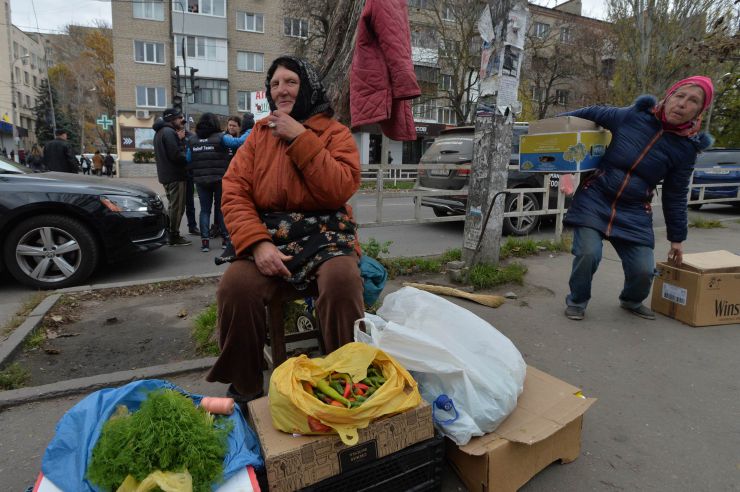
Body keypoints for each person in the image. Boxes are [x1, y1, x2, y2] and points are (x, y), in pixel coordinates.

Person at [206, 56, 364, 404]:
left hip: (325, 235)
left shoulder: (335, 134)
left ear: (306, 86)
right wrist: (258, 244)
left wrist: (301, 138)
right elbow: (234, 193)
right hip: (271, 236)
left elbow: (339, 189)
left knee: (342, 280)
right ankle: (245, 387)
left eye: (290, 81)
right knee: (236, 286)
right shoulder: (258, 136)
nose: (282, 90)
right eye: (275, 84)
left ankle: (349, 378)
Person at [562, 76, 714, 321]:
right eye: (679, 96)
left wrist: (677, 239)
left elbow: (676, 195)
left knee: (643, 270)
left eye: (693, 100)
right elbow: (590, 113)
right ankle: (577, 301)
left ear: (699, 110)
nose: (683, 104)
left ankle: (631, 300)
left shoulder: (686, 150)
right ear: (668, 97)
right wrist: (552, 127)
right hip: (596, 198)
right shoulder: (632, 116)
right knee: (588, 253)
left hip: (633, 210)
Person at [186, 113, 248, 252]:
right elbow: (238, 142)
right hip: (219, 179)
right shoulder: (221, 137)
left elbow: (188, 159)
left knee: (205, 210)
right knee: (221, 209)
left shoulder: (192, 140)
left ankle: (205, 242)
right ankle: (226, 240)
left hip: (201, 180)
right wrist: (250, 130)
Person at [153, 107, 192, 246]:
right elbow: (176, 156)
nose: (183, 120)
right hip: (176, 176)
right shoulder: (169, 132)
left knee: (172, 206)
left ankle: (169, 233)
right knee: (177, 207)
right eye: (180, 117)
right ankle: (173, 236)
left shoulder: (160, 132)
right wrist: (184, 146)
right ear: (172, 119)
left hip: (167, 175)